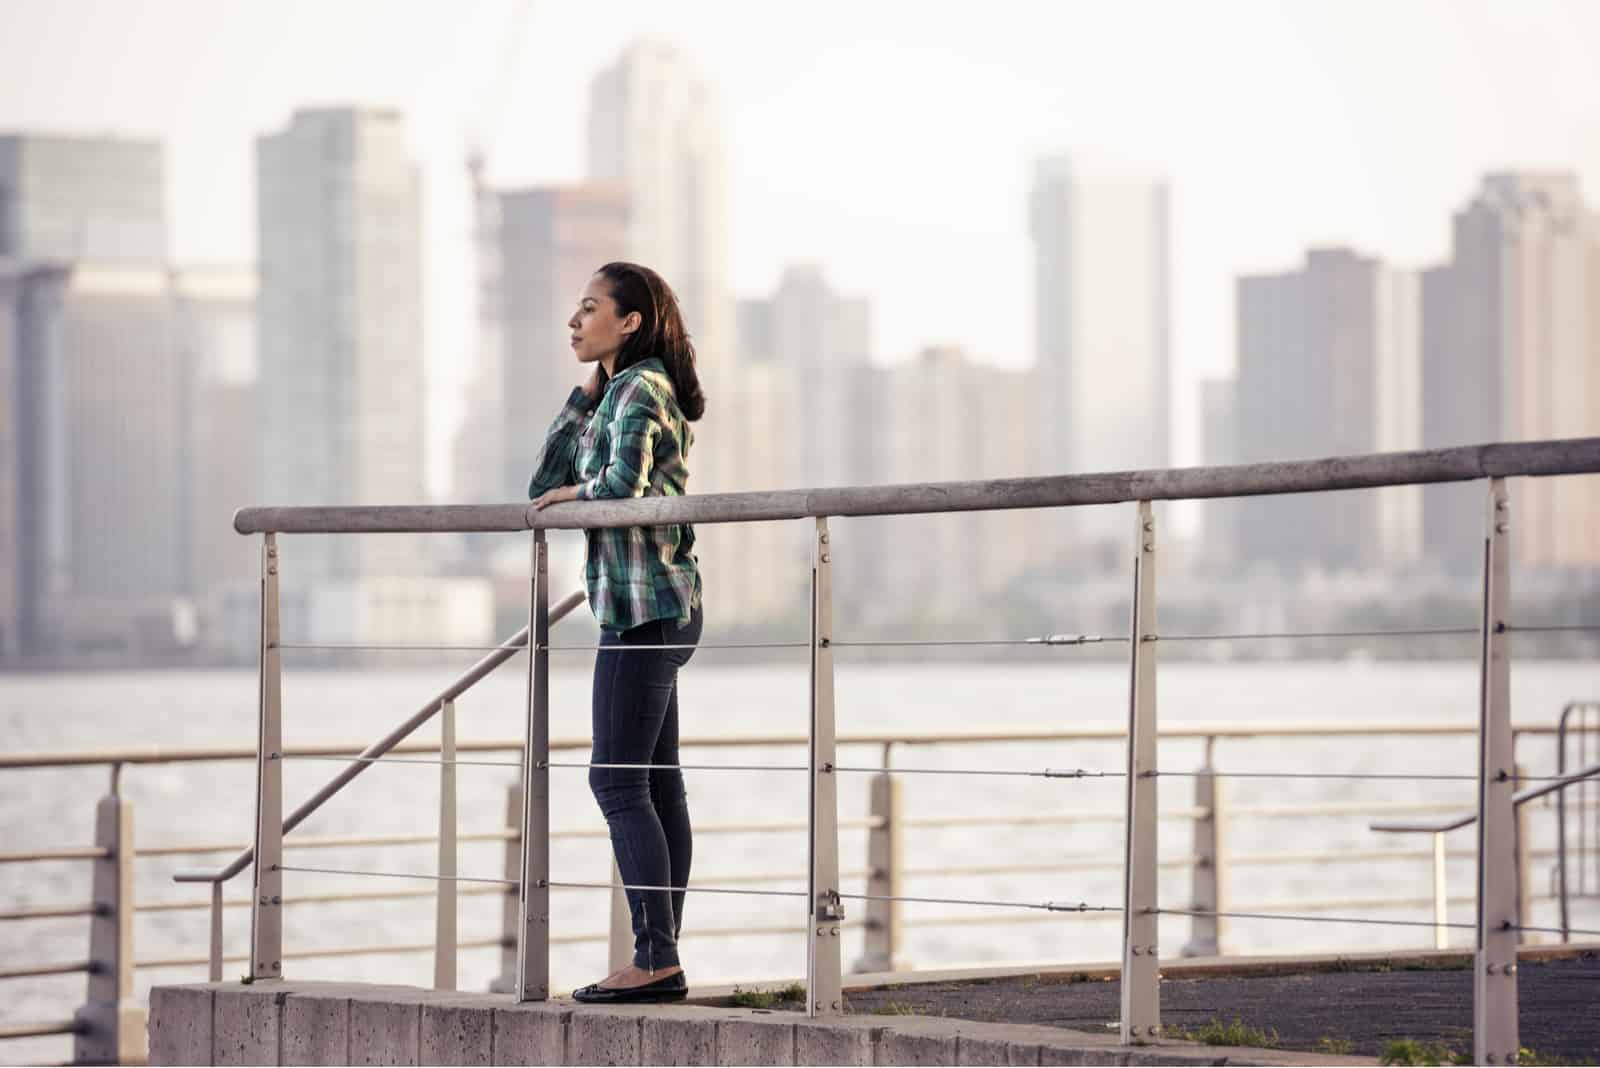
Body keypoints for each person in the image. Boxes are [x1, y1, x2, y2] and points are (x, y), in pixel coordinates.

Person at [528, 261, 706, 1004]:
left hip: (646, 609)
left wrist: (578, 489)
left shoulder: (644, 387)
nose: (574, 320)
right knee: (654, 784)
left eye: (590, 307)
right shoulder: (616, 392)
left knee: (616, 779)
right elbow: (541, 486)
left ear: (629, 322)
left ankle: (655, 956)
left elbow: (620, 490)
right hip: (646, 606)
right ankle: (660, 949)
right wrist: (583, 397)